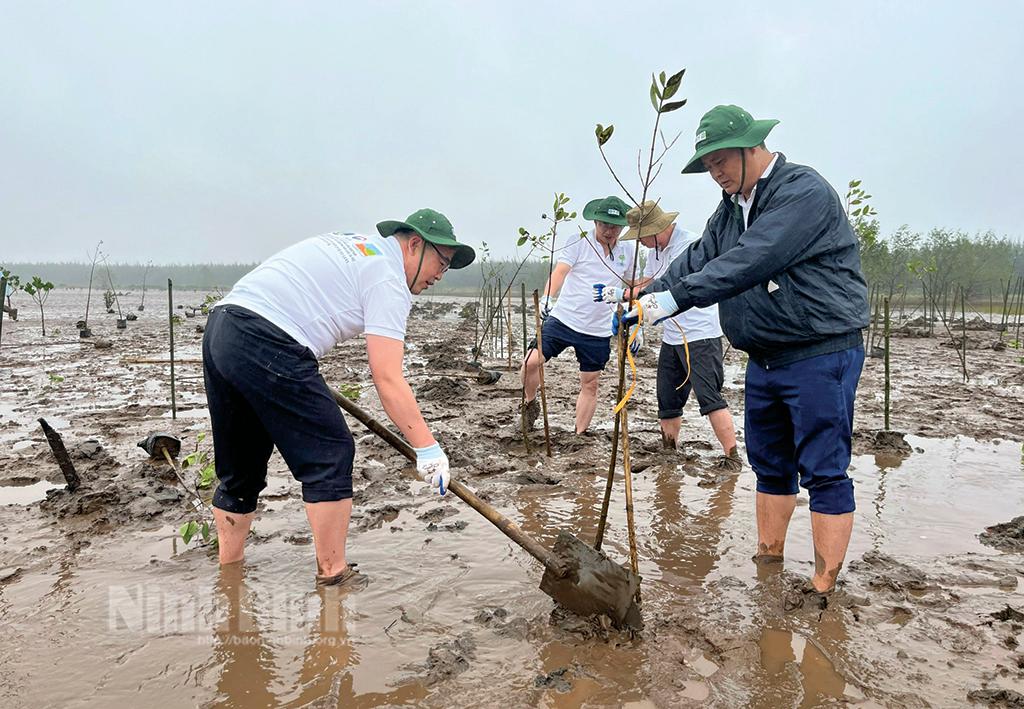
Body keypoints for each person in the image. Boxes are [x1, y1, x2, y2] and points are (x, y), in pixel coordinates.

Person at [603, 105, 869, 599]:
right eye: (708, 166)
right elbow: (699, 257)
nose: (717, 173)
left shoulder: (801, 193)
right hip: (764, 357)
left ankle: (821, 588)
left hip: (819, 352)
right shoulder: (730, 210)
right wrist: (648, 297)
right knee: (769, 463)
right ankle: (769, 564)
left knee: (824, 469)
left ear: (753, 148)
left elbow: (754, 258)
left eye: (722, 160)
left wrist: (673, 300)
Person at [202, 208, 475, 586]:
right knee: (331, 452)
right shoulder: (388, 278)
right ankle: (334, 577)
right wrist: (427, 449)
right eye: (440, 263)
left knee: (241, 470)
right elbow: (387, 377)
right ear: (414, 244)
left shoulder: (357, 245)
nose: (440, 277)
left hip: (223, 327)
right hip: (268, 338)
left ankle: (228, 573)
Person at [594, 200, 740, 469]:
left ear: (656, 230)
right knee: (668, 400)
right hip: (672, 335)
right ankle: (669, 451)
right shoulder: (655, 251)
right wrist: (625, 301)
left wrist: (628, 299)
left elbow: (672, 287)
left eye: (642, 238)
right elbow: (650, 283)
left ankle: (732, 458)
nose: (642, 244)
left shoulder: (689, 246)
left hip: (699, 334)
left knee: (710, 398)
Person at [518, 196, 636, 434]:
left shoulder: (628, 252)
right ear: (595, 222)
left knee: (590, 383)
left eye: (614, 226)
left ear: (622, 226)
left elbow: (631, 286)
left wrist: (635, 319)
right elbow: (560, 271)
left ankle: (579, 434)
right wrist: (548, 297)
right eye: (604, 224)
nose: (609, 231)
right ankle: (530, 403)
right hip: (564, 319)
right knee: (531, 362)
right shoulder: (579, 242)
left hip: (598, 329)